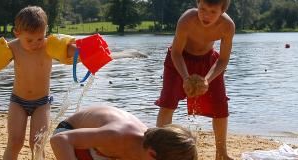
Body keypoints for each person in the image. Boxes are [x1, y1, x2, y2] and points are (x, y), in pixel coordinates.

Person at [0, 6, 76, 159]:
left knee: (37, 144)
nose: (35, 43)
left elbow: (68, 49)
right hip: (18, 102)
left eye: (39, 38)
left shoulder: (49, 46)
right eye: (29, 40)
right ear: (17, 33)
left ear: (46, 31)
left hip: (42, 103)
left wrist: (79, 52)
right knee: (15, 142)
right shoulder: (13, 47)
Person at [154, 0, 234, 159]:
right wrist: (185, 77)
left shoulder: (227, 26)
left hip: (208, 61)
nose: (206, 15)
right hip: (179, 59)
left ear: (222, 11)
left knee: (220, 105)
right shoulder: (186, 20)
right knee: (167, 102)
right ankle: (160, 150)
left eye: (213, 12)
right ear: (198, 3)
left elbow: (223, 60)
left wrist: (207, 80)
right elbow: (175, 53)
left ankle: (221, 153)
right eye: (203, 9)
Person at [50, 106, 198, 160]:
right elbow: (59, 140)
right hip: (70, 133)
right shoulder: (117, 135)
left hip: (103, 149)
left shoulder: (152, 145)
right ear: (152, 154)